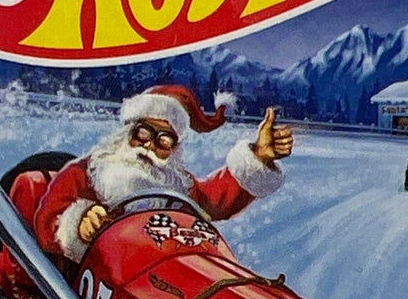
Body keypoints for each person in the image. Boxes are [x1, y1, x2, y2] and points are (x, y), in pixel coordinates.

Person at [32, 84, 294, 271]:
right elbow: (49, 221)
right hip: (96, 280)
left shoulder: (174, 185)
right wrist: (78, 224)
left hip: (164, 276)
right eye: (143, 133)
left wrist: (259, 157)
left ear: (173, 149)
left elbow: (216, 200)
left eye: (164, 140)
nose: (149, 146)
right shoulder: (85, 173)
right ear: (128, 132)